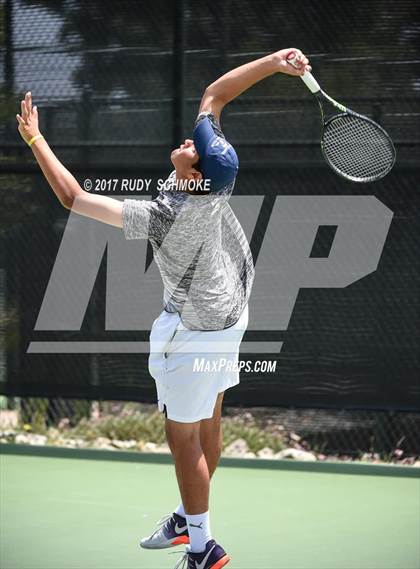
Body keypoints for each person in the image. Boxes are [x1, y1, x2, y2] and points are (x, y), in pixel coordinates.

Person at [16, 47, 310, 569]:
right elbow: (215, 96)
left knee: (184, 439)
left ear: (192, 173)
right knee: (211, 419)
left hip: (195, 329)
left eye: (190, 149)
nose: (185, 142)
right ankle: (186, 518)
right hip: (231, 311)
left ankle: (202, 549)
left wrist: (35, 138)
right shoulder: (218, 180)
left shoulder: (162, 214)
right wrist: (275, 62)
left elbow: (71, 196)